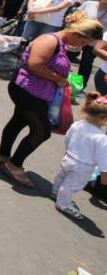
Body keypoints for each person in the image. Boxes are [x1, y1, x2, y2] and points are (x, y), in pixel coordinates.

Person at [0, 18, 103, 187]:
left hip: (33, 91)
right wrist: (58, 79)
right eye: (82, 41)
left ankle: (3, 156)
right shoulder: (50, 40)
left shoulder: (58, 42)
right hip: (28, 90)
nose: (81, 46)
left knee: (18, 121)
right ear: (76, 33)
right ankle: (13, 165)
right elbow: (35, 64)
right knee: (42, 131)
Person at [51, 92, 107, 220]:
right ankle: (63, 204)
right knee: (71, 186)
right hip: (83, 167)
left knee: (61, 177)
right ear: (104, 119)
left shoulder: (78, 124)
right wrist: (104, 175)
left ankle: (55, 192)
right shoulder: (101, 138)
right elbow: (103, 159)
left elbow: (68, 138)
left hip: (69, 157)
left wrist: (68, 151)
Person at [75, 0, 107, 88]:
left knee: (86, 63)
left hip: (94, 42)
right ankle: (60, 82)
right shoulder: (89, 4)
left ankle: (78, 87)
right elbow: (76, 15)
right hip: (77, 36)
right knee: (68, 58)